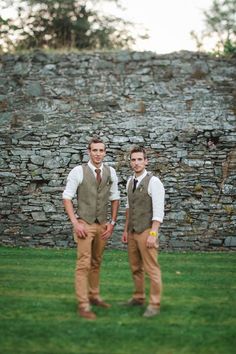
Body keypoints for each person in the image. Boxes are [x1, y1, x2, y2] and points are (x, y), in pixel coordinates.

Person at [62, 137, 120, 320]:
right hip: (84, 224)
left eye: (101, 150)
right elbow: (67, 197)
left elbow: (115, 197)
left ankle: (94, 296)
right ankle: (83, 305)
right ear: (89, 152)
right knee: (83, 264)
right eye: (94, 150)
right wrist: (75, 222)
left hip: (102, 224)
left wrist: (112, 222)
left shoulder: (110, 172)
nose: (98, 154)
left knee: (96, 262)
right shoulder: (78, 171)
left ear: (105, 152)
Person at [122, 146, 165, 317]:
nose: (136, 163)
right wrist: (126, 230)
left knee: (152, 269)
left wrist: (153, 234)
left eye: (140, 159)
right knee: (135, 267)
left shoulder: (154, 182)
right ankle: (138, 297)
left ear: (146, 161)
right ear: (130, 162)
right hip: (132, 232)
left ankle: (154, 304)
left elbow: (158, 211)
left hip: (147, 231)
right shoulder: (129, 181)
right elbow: (128, 207)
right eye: (133, 159)